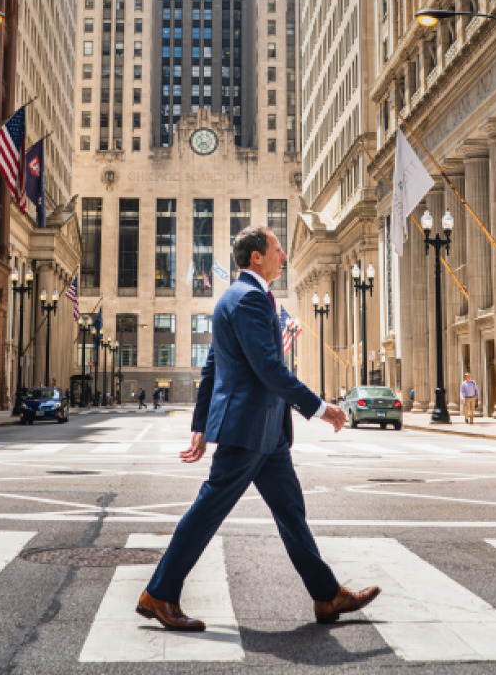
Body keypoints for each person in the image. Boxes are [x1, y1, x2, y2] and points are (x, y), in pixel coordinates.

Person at [136, 225, 379, 632]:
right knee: (207, 512)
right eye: (278, 250)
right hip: (248, 430)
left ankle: (326, 595)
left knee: (291, 513)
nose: (284, 257)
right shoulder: (249, 299)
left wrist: (200, 424)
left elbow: (213, 367)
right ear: (257, 258)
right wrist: (319, 407)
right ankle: (159, 593)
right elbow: (268, 368)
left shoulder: (235, 298)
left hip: (267, 434)